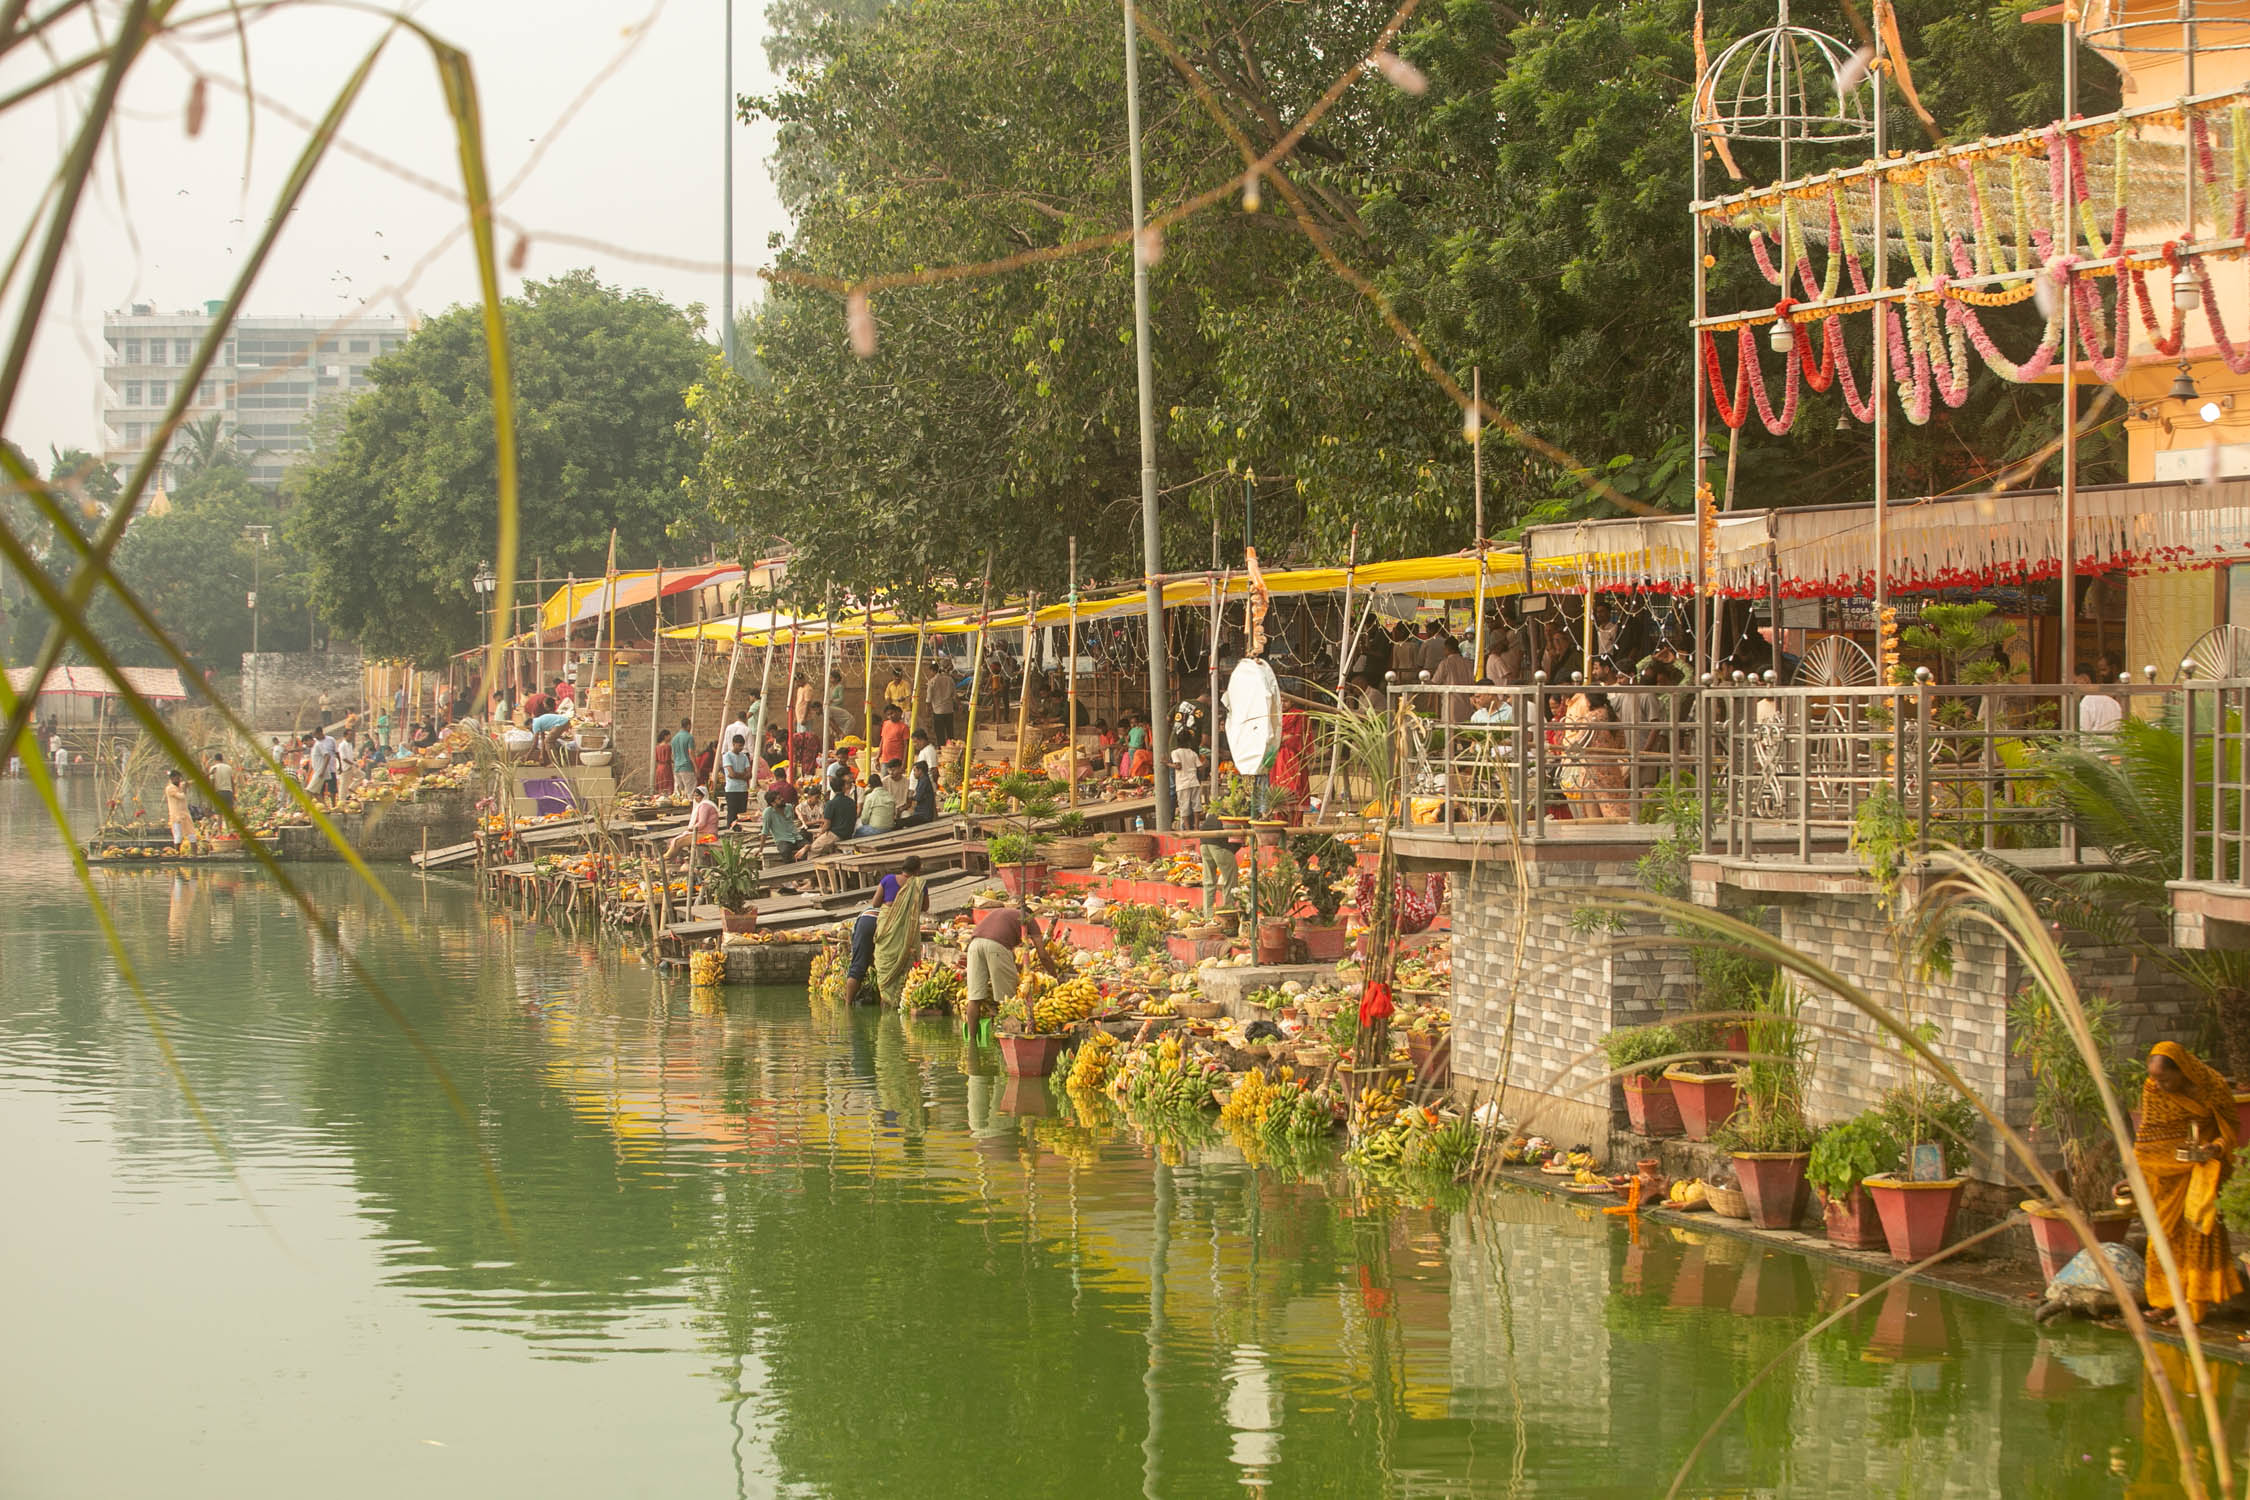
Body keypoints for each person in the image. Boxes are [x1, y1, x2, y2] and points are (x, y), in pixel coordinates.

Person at [2135, 1042, 2243, 1325]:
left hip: (2202, 1174)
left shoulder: (2213, 1087)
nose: (2160, 1084)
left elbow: (2231, 1130)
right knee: (2162, 1238)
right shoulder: (2153, 1090)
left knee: (2198, 1238)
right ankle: (2163, 1301)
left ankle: (2194, 1307)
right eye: (2155, 1077)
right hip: (2165, 1179)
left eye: (2166, 1078)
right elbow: (2148, 1137)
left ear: (2182, 1071)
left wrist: (2215, 1149)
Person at [963, 902, 1027, 1043]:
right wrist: (1053, 974)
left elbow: (998, 944)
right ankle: (1003, 1043)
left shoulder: (1000, 913)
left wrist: (1014, 965)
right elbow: (1042, 953)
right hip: (995, 947)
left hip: (974, 945)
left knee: (974, 998)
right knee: (1007, 1000)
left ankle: (972, 1044)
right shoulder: (1029, 919)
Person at [871, 854, 929, 1006]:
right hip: (908, 930)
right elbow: (925, 907)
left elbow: (875, 903)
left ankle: (886, 999)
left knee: (885, 960)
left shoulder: (888, 879)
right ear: (918, 869)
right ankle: (903, 1001)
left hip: (887, 930)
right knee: (907, 961)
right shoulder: (919, 884)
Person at [1199, 806, 1239, 916]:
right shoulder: (1241, 806)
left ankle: (1208, 916)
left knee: (1208, 882)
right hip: (1219, 843)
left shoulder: (1223, 802)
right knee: (1230, 881)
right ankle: (1228, 914)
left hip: (1204, 841)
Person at [666, 785, 720, 864]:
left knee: (679, 842)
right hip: (701, 833)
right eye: (694, 796)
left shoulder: (705, 806)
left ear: (703, 796)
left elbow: (702, 823)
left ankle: (665, 858)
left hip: (709, 835)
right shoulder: (703, 805)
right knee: (677, 841)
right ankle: (669, 860)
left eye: (697, 796)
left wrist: (692, 828)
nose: (696, 798)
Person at [841, 902, 882, 1006]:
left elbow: (875, 901)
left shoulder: (885, 885)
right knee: (887, 965)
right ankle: (886, 1006)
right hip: (886, 920)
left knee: (857, 967)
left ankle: (847, 1005)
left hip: (868, 919)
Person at [760, 787, 810, 863]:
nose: (782, 799)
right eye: (779, 799)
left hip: (796, 837)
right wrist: (760, 849)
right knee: (785, 851)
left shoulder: (789, 807)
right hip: (782, 839)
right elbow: (765, 831)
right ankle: (790, 869)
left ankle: (803, 865)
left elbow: (791, 822)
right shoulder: (768, 813)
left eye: (781, 797)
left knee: (808, 845)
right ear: (773, 803)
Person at [2076, 667, 2124, 733]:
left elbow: (2083, 733)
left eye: (2074, 682)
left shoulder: (2087, 701)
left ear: (2085, 679)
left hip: (2095, 742)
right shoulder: (2113, 702)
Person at [720, 734, 755, 826]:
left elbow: (749, 774)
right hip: (732, 789)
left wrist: (737, 775)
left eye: (742, 746)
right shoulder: (727, 756)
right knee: (732, 813)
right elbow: (731, 774)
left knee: (742, 814)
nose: (741, 748)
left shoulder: (744, 756)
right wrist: (743, 775)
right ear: (734, 744)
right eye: (739, 745)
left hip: (743, 789)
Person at [1170, 734, 1204, 825]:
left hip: (1182, 783)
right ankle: (1196, 827)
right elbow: (1200, 768)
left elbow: (1178, 766)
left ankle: (1188, 830)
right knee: (1196, 805)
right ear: (1189, 742)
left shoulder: (1175, 752)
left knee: (1184, 807)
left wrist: (1167, 763)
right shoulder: (1193, 753)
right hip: (1194, 782)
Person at [924, 659, 957, 746]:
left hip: (938, 712)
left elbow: (928, 700)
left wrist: (927, 714)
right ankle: (952, 749)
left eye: (930, 671)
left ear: (933, 671)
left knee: (940, 734)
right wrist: (959, 706)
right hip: (949, 710)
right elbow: (954, 696)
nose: (930, 673)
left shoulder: (932, 682)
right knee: (950, 734)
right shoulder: (950, 680)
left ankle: (941, 750)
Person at [900, 760, 938, 828]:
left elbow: (918, 797)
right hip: (922, 813)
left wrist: (910, 797)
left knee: (902, 822)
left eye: (915, 770)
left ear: (920, 771)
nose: (913, 773)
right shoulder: (922, 780)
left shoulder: (924, 781)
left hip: (924, 815)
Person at [163, 770, 194, 850]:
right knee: (178, 836)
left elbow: (191, 782)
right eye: (177, 779)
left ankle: (195, 854)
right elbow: (181, 796)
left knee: (192, 834)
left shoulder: (180, 785)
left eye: (179, 779)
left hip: (185, 814)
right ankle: (177, 853)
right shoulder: (169, 789)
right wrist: (184, 789)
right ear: (172, 779)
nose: (179, 780)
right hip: (176, 816)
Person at [822, 776, 858, 843]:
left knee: (813, 848)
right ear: (843, 787)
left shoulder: (830, 804)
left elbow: (826, 825)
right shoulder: (851, 802)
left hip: (835, 835)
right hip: (849, 834)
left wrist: (820, 834)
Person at [878, 703, 909, 770]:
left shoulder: (904, 727)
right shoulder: (885, 723)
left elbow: (906, 746)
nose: (890, 716)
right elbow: (882, 741)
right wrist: (878, 757)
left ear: (897, 712)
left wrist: (904, 763)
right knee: (884, 780)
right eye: (888, 715)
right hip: (885, 760)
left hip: (897, 761)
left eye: (892, 713)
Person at [670, 718, 697, 793]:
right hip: (687, 767)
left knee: (679, 793)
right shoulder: (689, 737)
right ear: (688, 726)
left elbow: (672, 754)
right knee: (690, 791)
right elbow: (691, 752)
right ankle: (691, 805)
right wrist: (696, 767)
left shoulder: (674, 738)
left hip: (677, 768)